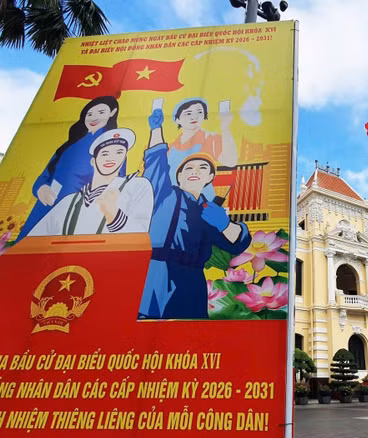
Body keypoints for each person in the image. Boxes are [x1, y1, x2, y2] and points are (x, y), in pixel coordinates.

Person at [138, 107, 250, 320]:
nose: (195, 172)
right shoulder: (163, 194)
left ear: (209, 178)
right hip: (155, 274)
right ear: (178, 176)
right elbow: (156, 163)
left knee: (189, 334)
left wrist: (225, 225)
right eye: (188, 169)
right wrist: (156, 129)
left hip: (191, 281)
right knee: (146, 326)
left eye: (202, 169)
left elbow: (238, 243)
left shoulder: (210, 211)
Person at [18, 96, 124, 240]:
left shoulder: (114, 145)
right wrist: (41, 188)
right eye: (89, 114)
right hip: (47, 203)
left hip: (80, 209)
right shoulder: (69, 144)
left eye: (101, 112)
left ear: (112, 113)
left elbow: (117, 183)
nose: (94, 118)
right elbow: (45, 174)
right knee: (29, 250)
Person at [29, 129, 152, 236]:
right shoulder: (69, 201)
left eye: (119, 152)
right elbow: (33, 241)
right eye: (105, 153)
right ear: (93, 161)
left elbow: (141, 236)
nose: (111, 158)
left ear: (124, 159)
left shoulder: (137, 186)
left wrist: (114, 215)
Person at [165, 98, 238, 200]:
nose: (194, 117)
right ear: (178, 119)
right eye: (188, 113)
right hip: (173, 199)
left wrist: (225, 127)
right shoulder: (170, 147)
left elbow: (231, 162)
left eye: (199, 112)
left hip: (202, 198)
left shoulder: (210, 138)